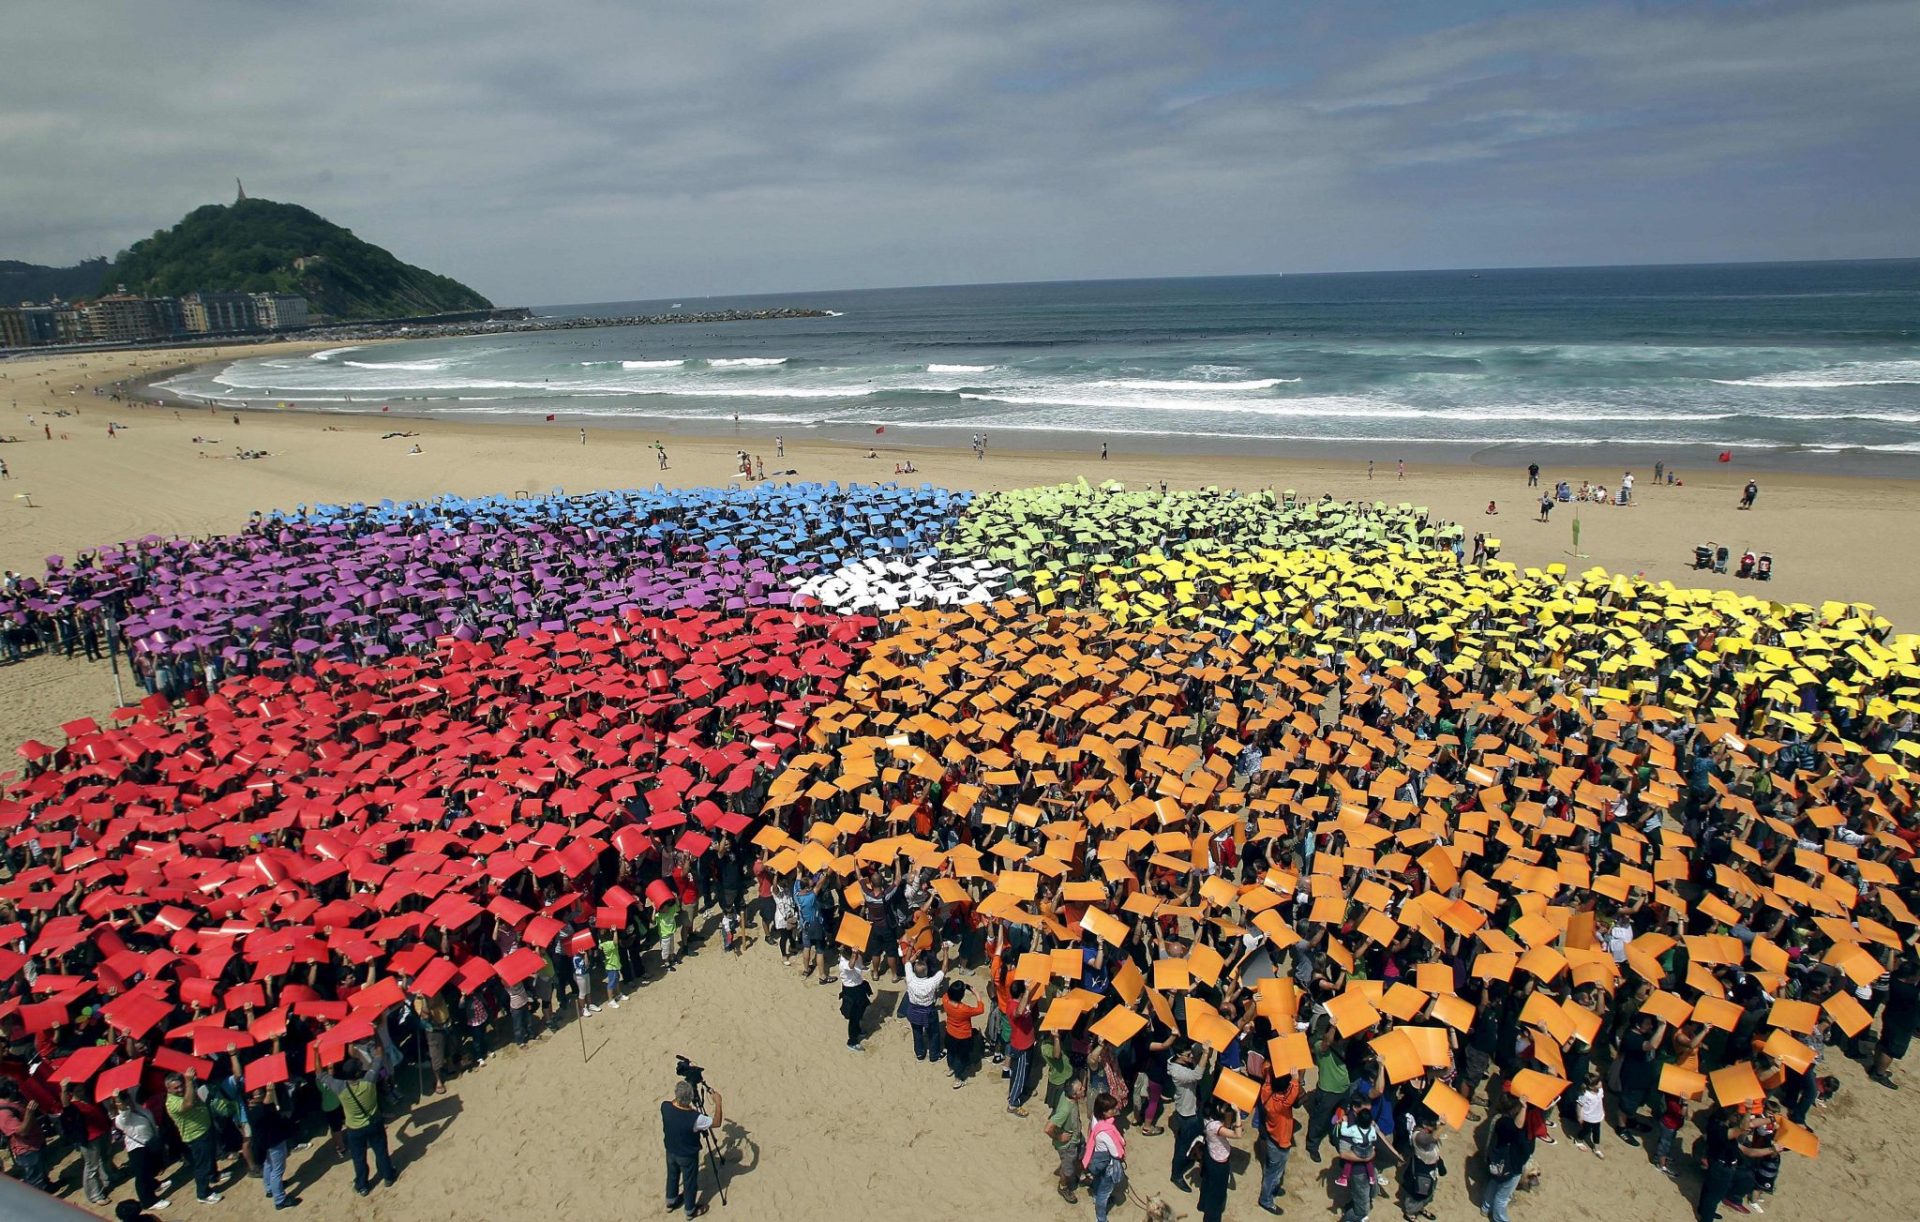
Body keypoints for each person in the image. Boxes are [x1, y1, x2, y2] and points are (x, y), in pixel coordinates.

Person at [320, 1059, 397, 1197]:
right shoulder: (369, 1080)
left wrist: (315, 1052)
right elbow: (379, 1058)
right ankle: (388, 1176)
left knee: (358, 1158)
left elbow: (320, 1074)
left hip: (355, 1129)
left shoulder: (339, 1086)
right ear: (357, 1073)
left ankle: (362, 1186)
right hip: (374, 1123)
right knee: (380, 1151)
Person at [661, 1078, 722, 1219]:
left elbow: (675, 1103)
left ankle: (671, 1201)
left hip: (670, 1150)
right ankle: (690, 1210)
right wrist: (718, 1102)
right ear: (691, 1098)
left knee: (672, 1175)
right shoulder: (695, 1118)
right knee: (689, 1182)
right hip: (687, 1155)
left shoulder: (665, 1107)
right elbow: (717, 1122)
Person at [1333, 1083, 1391, 1222]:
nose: (1369, 1112)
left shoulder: (1363, 1119)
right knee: (1362, 1210)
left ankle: (1353, 1204)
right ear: (1355, 1107)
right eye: (1365, 1109)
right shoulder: (1348, 1125)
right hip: (1357, 1171)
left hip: (1368, 1167)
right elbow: (1344, 1153)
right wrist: (1366, 1158)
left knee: (1370, 1193)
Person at [165, 1069, 223, 1202]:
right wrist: (189, 1082)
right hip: (196, 1136)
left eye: (181, 1086)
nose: (180, 1089)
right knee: (202, 1165)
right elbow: (188, 1104)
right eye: (176, 1088)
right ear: (168, 1089)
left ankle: (214, 1176)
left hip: (206, 1128)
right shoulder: (172, 1102)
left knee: (211, 1156)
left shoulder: (186, 1090)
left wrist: (190, 1082)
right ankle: (203, 1193)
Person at [110, 1093, 169, 1211]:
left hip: (150, 1142)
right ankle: (148, 1201)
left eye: (128, 1099)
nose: (128, 1103)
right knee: (142, 1175)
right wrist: (118, 1100)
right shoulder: (121, 1118)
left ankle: (154, 1185)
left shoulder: (138, 1109)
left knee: (150, 1169)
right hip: (137, 1148)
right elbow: (124, 1112)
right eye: (124, 1102)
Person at [1480, 1093, 1533, 1222]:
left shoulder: (1498, 1118)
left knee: (1494, 1183)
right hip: (1511, 1166)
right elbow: (1517, 1127)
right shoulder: (1507, 1124)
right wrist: (1524, 1108)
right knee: (1502, 1197)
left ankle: (1485, 1208)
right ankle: (1500, 1219)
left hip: (1498, 1162)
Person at [59, 1081, 114, 1205]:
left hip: (103, 1131)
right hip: (90, 1138)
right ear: (71, 1093)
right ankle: (95, 1195)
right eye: (78, 1091)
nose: (82, 1092)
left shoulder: (87, 1098)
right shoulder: (73, 1106)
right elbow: (65, 1107)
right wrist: (63, 1090)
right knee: (92, 1167)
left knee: (105, 1157)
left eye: (82, 1089)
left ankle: (109, 1177)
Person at [1255, 1062, 1300, 1214]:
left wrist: (1273, 1069)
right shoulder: (1282, 1104)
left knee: (1271, 1167)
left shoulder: (1266, 1093)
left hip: (1271, 1137)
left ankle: (1272, 1188)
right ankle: (1266, 1199)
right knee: (1273, 1173)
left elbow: (1268, 1078)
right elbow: (1292, 1094)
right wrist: (1295, 1079)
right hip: (1280, 1142)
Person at [1869, 955, 1918, 1089]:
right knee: (1891, 1050)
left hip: (1890, 1016)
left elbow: (1890, 968)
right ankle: (1879, 1073)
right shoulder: (1910, 992)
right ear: (1909, 977)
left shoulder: (1894, 979)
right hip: (1902, 1024)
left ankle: (1876, 1066)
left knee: (1884, 1041)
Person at [1167, 1040, 1211, 1190]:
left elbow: (1196, 1048)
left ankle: (1194, 1155)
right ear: (1179, 1055)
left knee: (1196, 1137)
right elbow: (1197, 1075)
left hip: (1192, 1109)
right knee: (1182, 1146)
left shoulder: (1179, 1061)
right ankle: (1176, 1175)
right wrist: (1205, 1053)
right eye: (1188, 1055)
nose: (1192, 1056)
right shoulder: (1178, 1072)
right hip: (1187, 1114)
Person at [247, 1084, 297, 1210]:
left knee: (269, 1165)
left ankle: (270, 1188)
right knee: (277, 1171)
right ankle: (280, 1200)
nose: (261, 1094)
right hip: (274, 1142)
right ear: (251, 1098)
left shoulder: (252, 1109)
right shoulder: (259, 1111)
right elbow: (266, 1106)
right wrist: (270, 1092)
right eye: (258, 1094)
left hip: (266, 1144)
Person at [1085, 1091, 1128, 1222]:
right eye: (1112, 1109)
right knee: (1104, 1193)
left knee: (1098, 1181)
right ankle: (1101, 1218)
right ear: (1104, 1112)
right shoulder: (1106, 1132)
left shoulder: (1096, 1120)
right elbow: (1116, 1153)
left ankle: (1095, 1196)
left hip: (1098, 1159)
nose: (1115, 1110)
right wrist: (1122, 1155)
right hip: (1108, 1164)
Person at [1196, 1097, 1241, 1222]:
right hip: (1219, 1163)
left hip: (1210, 1156)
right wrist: (1237, 1113)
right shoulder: (1216, 1127)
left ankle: (1202, 1205)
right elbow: (1238, 1134)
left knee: (1207, 1183)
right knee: (1217, 1194)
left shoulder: (1205, 1120)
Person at [0, 1080, 48, 1190]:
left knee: (42, 1172)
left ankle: (48, 1186)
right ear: (10, 1092)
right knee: (35, 1182)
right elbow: (22, 1131)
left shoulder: (13, 1102)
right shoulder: (3, 1113)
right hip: (27, 1150)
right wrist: (29, 1112)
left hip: (36, 1142)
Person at [1046, 1078, 1087, 1203]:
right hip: (1068, 1145)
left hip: (1076, 1137)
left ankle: (1079, 1175)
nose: (1084, 1088)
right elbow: (1048, 1128)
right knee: (1067, 1170)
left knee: (1081, 1155)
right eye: (1080, 1089)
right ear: (1074, 1095)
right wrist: (1059, 1137)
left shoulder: (1067, 1095)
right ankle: (1063, 1187)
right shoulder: (1065, 1110)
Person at [942, 979, 985, 1086]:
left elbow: (948, 992)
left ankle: (950, 1068)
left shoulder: (945, 999)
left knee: (951, 1052)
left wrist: (961, 986)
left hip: (950, 1032)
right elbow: (980, 1009)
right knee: (961, 1057)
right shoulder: (964, 1009)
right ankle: (958, 1078)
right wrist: (977, 994)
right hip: (963, 1036)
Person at [837, 950, 873, 1051]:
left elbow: (860, 966)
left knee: (862, 1007)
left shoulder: (858, 957)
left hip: (859, 986)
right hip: (850, 990)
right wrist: (854, 954)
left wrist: (857, 955)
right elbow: (850, 966)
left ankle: (857, 1029)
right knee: (853, 1017)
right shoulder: (843, 963)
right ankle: (852, 1041)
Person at [1573, 1072, 1605, 1157]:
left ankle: (1596, 1147)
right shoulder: (1586, 1095)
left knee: (1597, 1131)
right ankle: (1579, 1140)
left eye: (1600, 1081)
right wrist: (1580, 1116)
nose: (1600, 1083)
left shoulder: (1600, 1090)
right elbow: (1579, 1105)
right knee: (1586, 1130)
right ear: (1591, 1086)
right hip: (1588, 1117)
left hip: (1597, 1116)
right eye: (1598, 1083)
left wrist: (1602, 1111)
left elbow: (1599, 1102)